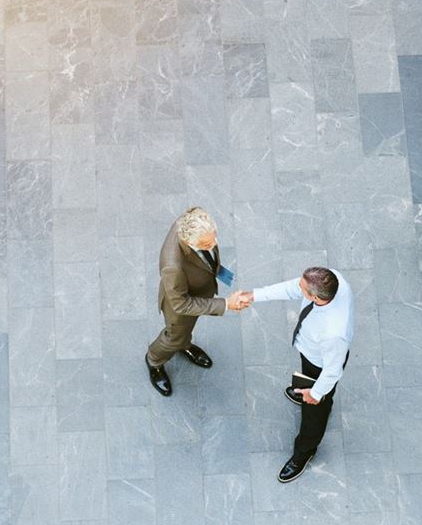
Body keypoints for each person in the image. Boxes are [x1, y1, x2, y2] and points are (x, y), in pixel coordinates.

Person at [237, 267, 354, 483]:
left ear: (316, 297)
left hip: (322, 365)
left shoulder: (333, 334)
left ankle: (305, 451)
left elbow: (332, 370)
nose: (297, 288)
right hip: (312, 353)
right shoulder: (332, 280)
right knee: (307, 384)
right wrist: (254, 295)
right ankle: (308, 394)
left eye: (303, 289)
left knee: (314, 412)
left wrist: (316, 393)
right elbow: (292, 288)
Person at [146, 207, 248, 397]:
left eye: (214, 238)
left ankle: (185, 345)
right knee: (173, 337)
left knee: (185, 333)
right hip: (180, 307)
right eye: (207, 243)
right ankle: (154, 360)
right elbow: (181, 304)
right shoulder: (172, 267)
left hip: (198, 289)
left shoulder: (192, 220)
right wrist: (226, 304)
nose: (214, 244)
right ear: (188, 241)